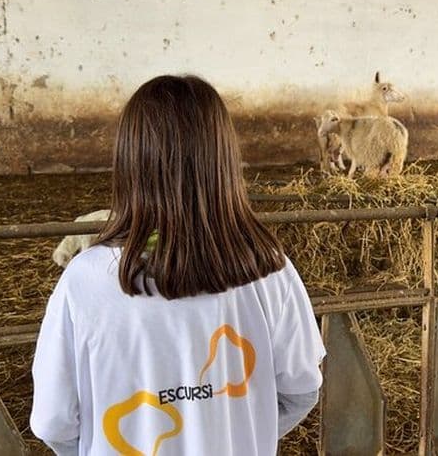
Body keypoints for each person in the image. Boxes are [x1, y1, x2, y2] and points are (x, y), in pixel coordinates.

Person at [30, 75, 325, 455]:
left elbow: (53, 422)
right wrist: (236, 434)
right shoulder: (268, 269)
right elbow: (301, 391)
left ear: (130, 160)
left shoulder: (84, 282)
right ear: (223, 162)